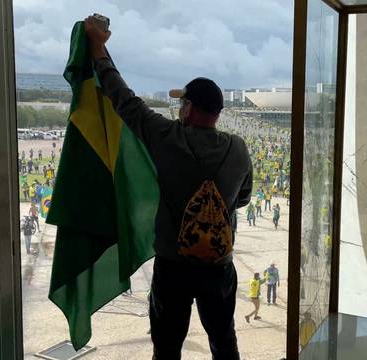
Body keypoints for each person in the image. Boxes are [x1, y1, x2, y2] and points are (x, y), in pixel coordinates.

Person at [85, 17, 252, 359]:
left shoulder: (166, 137)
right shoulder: (238, 148)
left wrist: (99, 49)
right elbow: (244, 198)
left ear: (189, 108)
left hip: (172, 266)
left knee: (166, 347)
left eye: (182, 103)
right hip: (218, 266)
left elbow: (125, 101)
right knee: (224, 341)